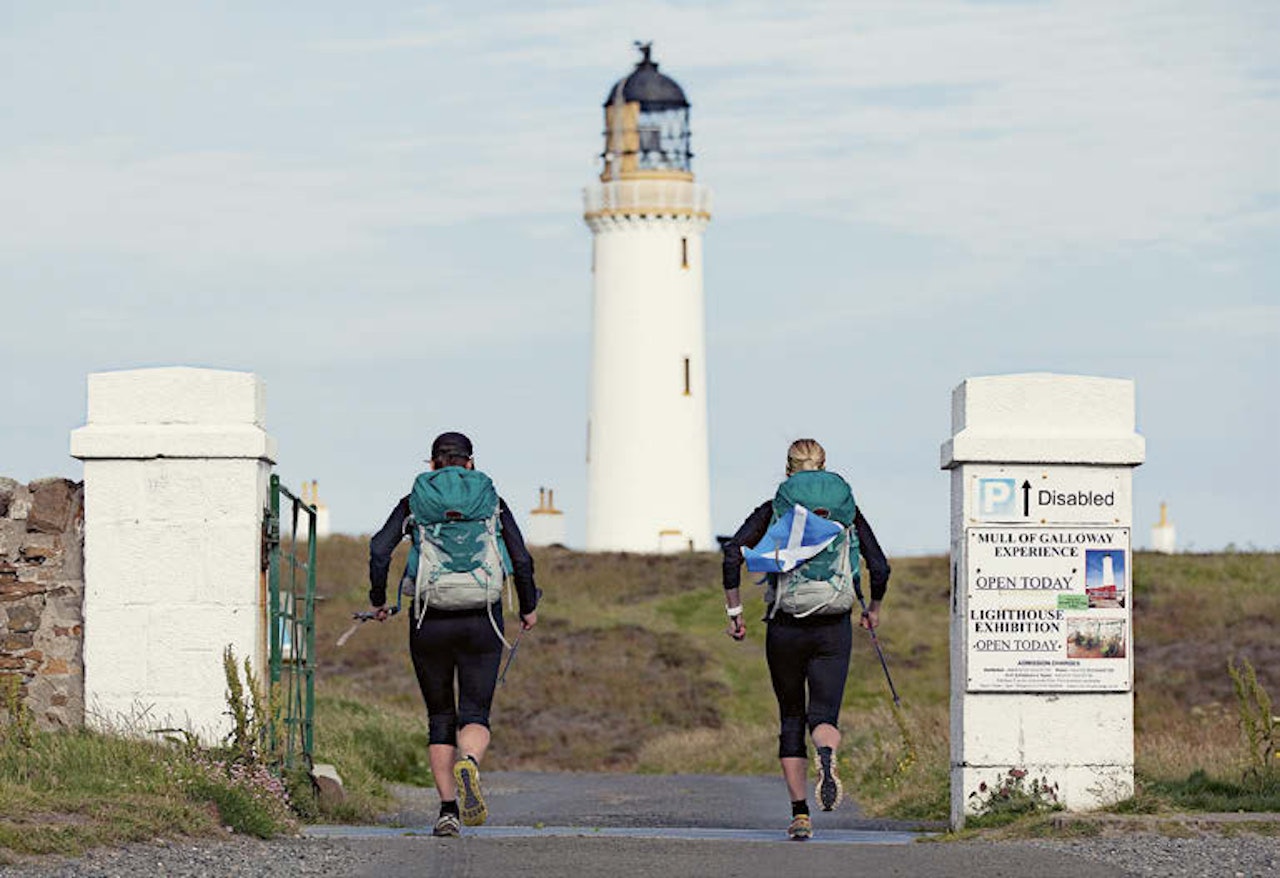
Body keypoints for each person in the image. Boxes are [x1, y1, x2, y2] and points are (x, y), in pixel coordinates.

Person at [368, 431, 539, 838]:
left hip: (429, 619)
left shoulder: (414, 502)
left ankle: (448, 811)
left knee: (440, 716)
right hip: (483, 619)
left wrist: (379, 600)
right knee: (475, 712)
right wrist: (528, 606)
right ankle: (471, 763)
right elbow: (521, 559)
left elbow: (378, 549)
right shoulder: (493, 501)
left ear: (431, 464)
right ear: (470, 462)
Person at [721, 438, 890, 841]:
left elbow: (732, 553)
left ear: (788, 469)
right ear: (824, 465)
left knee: (791, 717)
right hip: (834, 624)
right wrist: (874, 608)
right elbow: (880, 565)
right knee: (824, 715)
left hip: (786, 626)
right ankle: (826, 753)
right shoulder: (847, 511)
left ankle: (800, 815)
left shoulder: (774, 510)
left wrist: (735, 612)